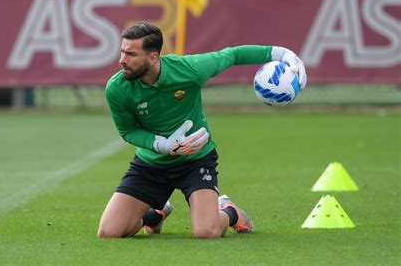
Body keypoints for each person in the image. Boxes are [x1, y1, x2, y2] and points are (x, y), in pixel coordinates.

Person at [97, 22, 307, 238]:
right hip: (151, 164)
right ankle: (155, 215)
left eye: (131, 54)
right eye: (122, 52)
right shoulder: (117, 88)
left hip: (195, 161)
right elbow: (128, 131)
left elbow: (233, 55)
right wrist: (163, 145)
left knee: (206, 232)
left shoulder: (190, 69)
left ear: (152, 58)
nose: (122, 60)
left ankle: (230, 212)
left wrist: (283, 54)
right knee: (110, 232)